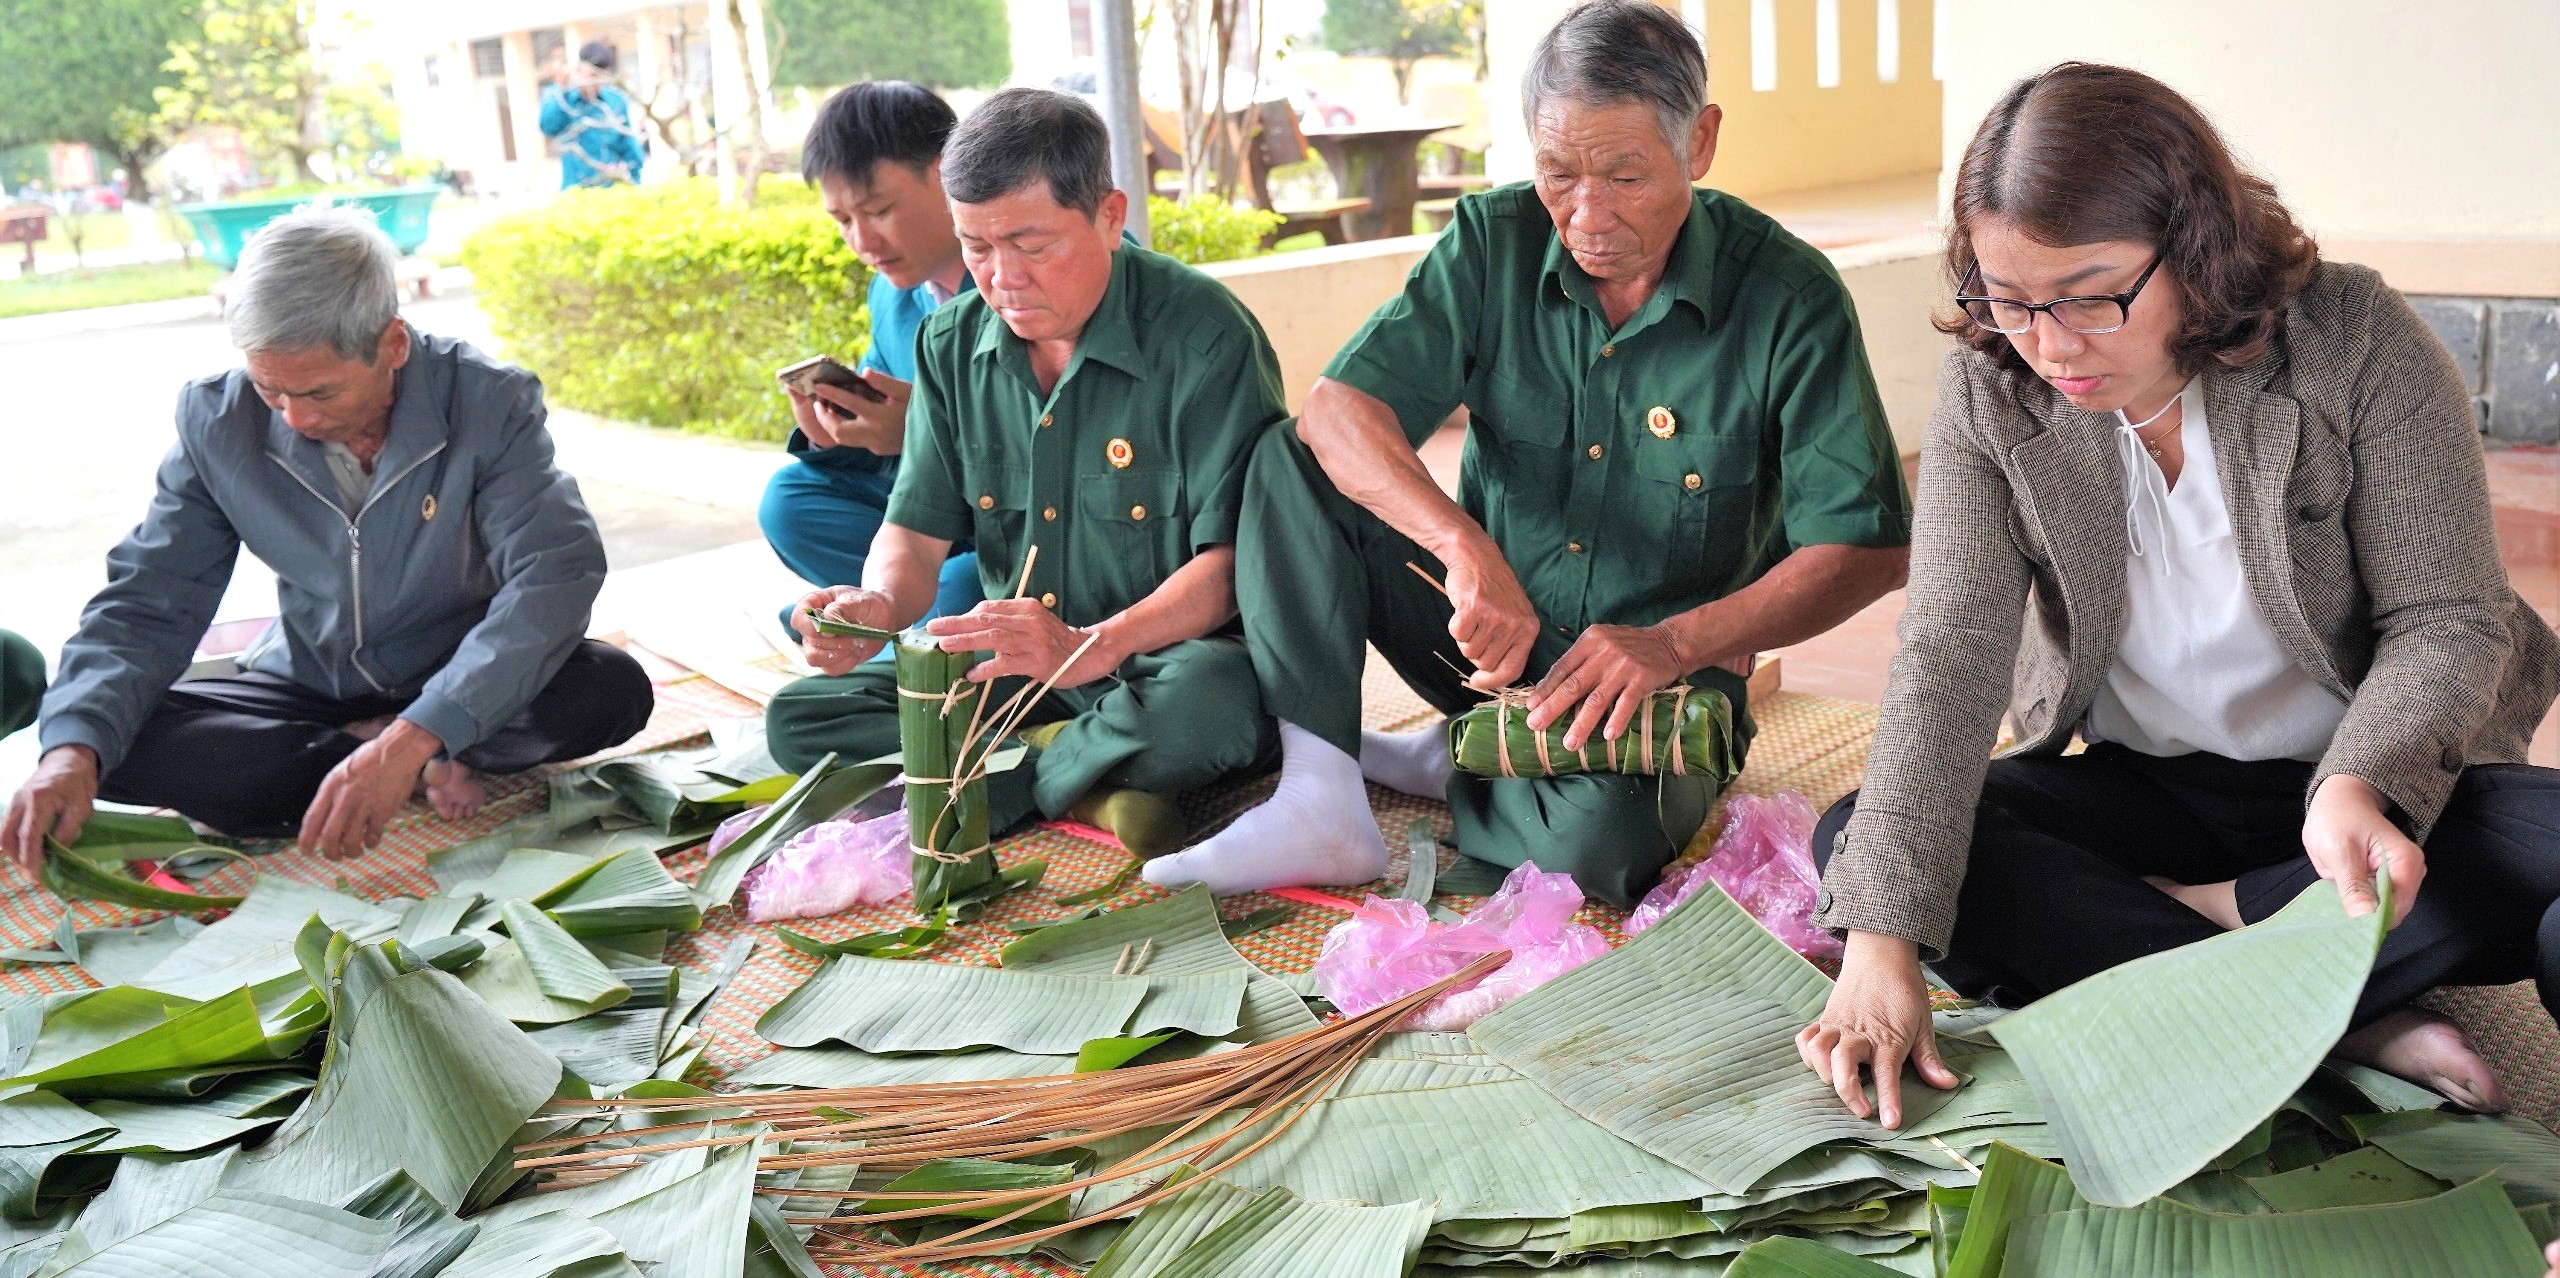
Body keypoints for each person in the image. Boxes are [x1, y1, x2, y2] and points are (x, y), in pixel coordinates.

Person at [1798, 63, 2560, 1129]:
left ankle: (2210, 951)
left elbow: (2448, 617)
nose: (2051, 344)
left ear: (2195, 249)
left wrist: (2359, 785)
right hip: (2148, 796)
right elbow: (1948, 652)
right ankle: (2339, 1018)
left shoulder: (2352, 342)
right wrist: (1878, 946)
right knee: (1866, 847)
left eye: (2093, 293)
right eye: (2009, 300)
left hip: (2353, 803)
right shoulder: (1995, 387)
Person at [1142, 0, 1911, 905]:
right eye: (1557, 174)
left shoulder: (1790, 300)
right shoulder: (1492, 242)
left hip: (1647, 689)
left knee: (1595, 854)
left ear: (1699, 144)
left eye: (1624, 176)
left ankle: (1461, 762)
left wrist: (1675, 641)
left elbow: (1868, 550)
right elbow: (1338, 409)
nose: (1585, 215)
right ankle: (1322, 793)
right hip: (1485, 643)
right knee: (1289, 458)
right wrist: (1463, 549)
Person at [1, 207, 652, 868]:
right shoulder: (217, 423)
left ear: (392, 345)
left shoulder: (487, 403)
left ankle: (401, 753)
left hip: (459, 668)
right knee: (104, 740)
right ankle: (385, 758)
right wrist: (72, 750)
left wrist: (415, 732)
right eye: (270, 390)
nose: (295, 417)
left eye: (320, 392)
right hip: (310, 680)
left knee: (610, 687)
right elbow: (148, 601)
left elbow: (555, 576)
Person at [762, 88, 1282, 855]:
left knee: (1217, 706)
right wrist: (875, 604)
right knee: (802, 717)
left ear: (1109, 214)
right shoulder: (950, 343)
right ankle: (1086, 778)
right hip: (1014, 664)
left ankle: (1009, 769)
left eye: (1031, 246)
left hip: (1159, 661)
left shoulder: (1204, 336)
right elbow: (912, 528)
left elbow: (1230, 565)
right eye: (976, 247)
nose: (1002, 278)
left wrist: (1088, 645)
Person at [759, 82, 979, 627]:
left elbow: (1064, 448)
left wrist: (924, 434)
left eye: (877, 210)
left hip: (1037, 526)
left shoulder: (1023, 276)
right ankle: (888, 623)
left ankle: (872, 636)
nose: (861, 241)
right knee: (790, 502)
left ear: (947, 170)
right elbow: (894, 446)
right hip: (941, 520)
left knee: (960, 590)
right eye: (842, 220)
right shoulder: (892, 293)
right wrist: (836, 433)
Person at [540, 42, 646, 189]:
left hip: (610, 188)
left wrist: (634, 180)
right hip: (575, 190)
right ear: (579, 70)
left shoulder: (616, 100)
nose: (596, 83)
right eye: (593, 74)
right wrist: (560, 89)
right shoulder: (563, 98)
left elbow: (628, 144)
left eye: (601, 77)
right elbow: (547, 126)